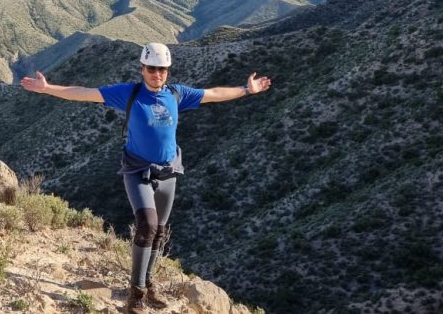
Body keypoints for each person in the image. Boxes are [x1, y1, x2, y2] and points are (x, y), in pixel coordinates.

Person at [21, 42, 271, 313]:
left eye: (162, 69)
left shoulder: (177, 94)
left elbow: (213, 93)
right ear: (142, 69)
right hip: (137, 170)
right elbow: (85, 93)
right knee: (147, 226)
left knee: (159, 233)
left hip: (168, 171)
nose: (157, 74)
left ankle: (149, 284)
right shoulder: (130, 93)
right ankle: (135, 294)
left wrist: (247, 90)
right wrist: (48, 88)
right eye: (152, 69)